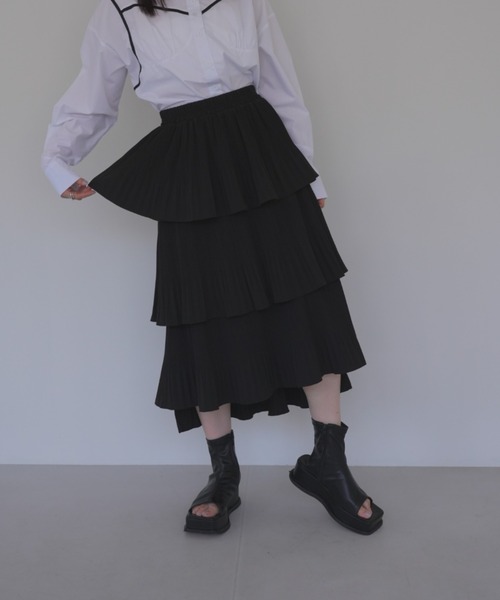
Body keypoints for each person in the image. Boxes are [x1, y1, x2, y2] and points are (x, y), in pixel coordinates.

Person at [42, 0, 383, 536]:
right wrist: (58, 159)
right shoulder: (120, 11)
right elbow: (94, 94)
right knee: (202, 314)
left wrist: (307, 172)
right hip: (188, 167)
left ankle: (329, 464)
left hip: (266, 158)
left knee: (308, 301)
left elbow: (280, 86)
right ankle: (224, 474)